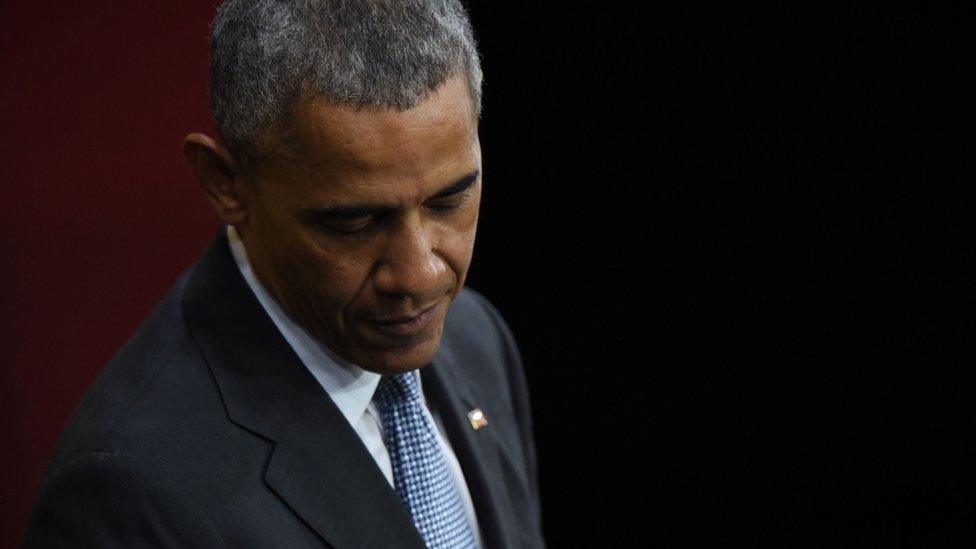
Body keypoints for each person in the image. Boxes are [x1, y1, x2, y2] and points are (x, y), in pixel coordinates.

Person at [22, 1, 545, 547]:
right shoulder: (128, 493)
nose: (420, 275)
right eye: (354, 222)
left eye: (450, 200)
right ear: (225, 184)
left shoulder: (476, 338)